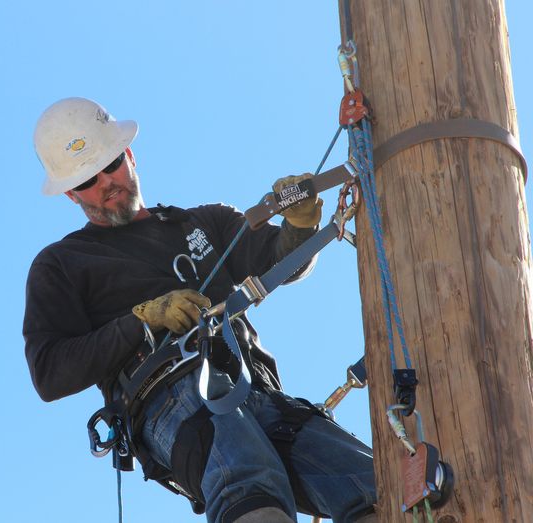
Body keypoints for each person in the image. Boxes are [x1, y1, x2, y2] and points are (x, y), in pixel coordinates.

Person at [23, 97, 377, 523]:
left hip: (259, 389)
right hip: (171, 398)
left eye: (111, 164)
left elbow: (279, 261)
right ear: (70, 194)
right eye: (87, 180)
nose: (106, 183)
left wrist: (299, 226)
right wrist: (140, 320)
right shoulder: (63, 263)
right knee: (251, 492)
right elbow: (50, 372)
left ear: (129, 155)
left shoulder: (205, 223)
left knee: (374, 486)